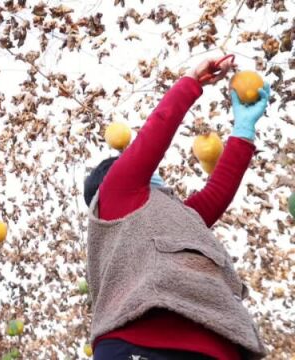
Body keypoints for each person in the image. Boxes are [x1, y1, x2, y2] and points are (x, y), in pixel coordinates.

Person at [83, 58, 270, 360]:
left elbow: (216, 193)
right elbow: (151, 141)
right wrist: (190, 81)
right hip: (143, 345)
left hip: (218, 348)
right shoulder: (116, 194)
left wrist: (244, 130)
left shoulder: (175, 218)